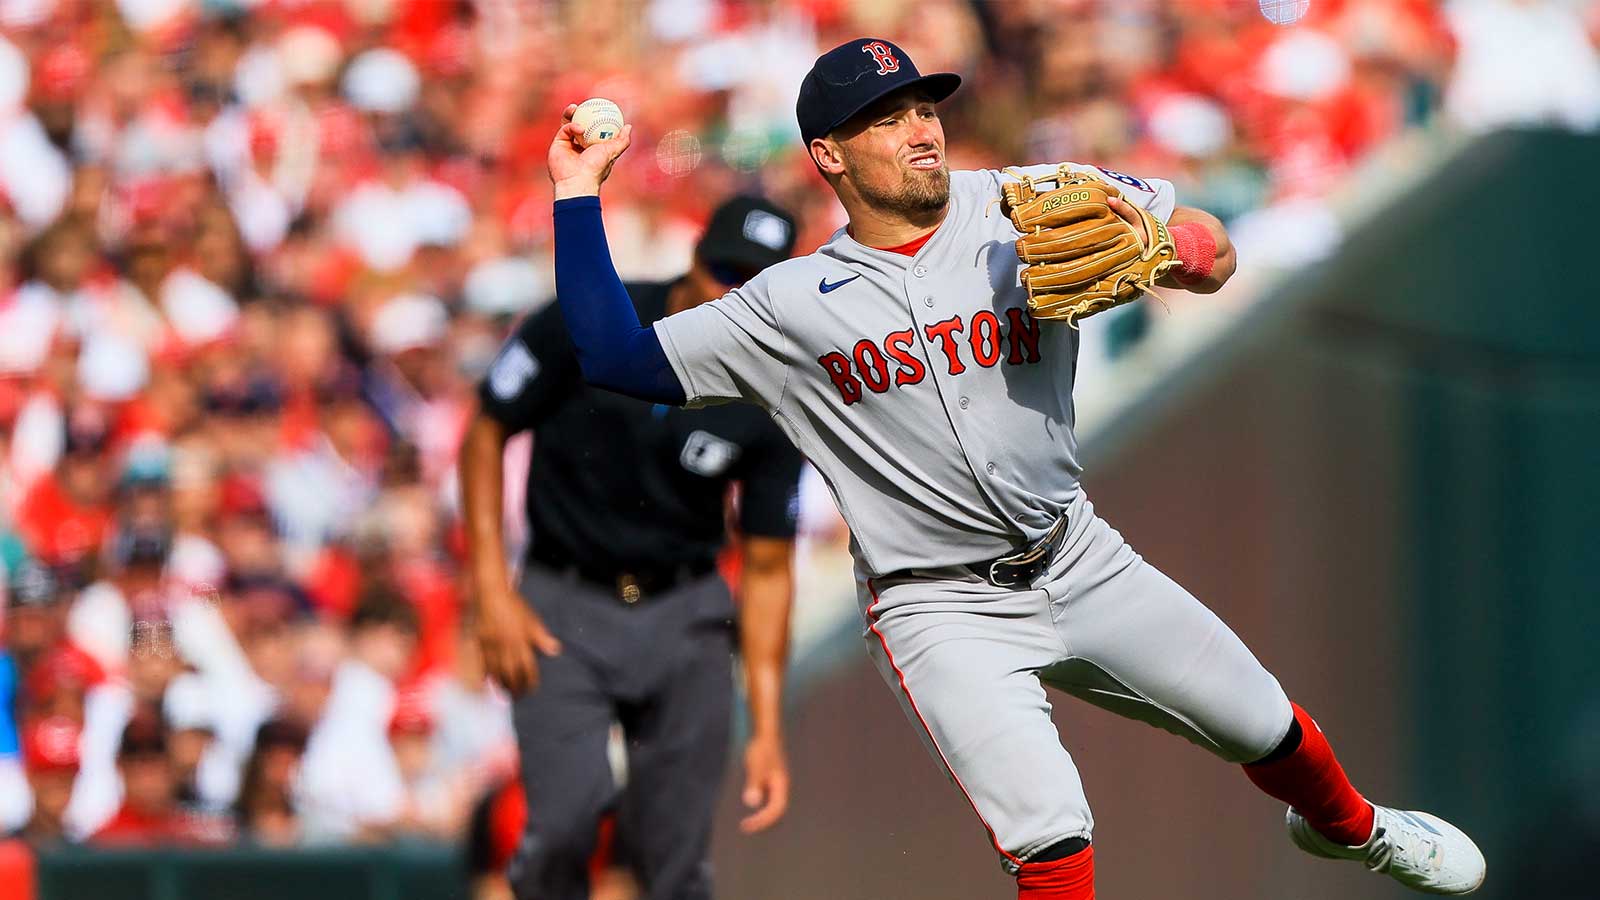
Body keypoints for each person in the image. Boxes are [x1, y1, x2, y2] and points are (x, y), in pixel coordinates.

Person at [539, 36, 1487, 900]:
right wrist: (578, 193)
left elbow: (1214, 249)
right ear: (828, 154)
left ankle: (1356, 831)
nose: (920, 130)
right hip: (936, 605)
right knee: (1051, 840)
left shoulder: (1025, 205)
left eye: (925, 108)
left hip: (1078, 554)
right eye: (887, 117)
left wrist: (1180, 248)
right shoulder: (785, 308)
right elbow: (614, 358)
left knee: (1267, 727)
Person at [459, 194, 805, 900]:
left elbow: (769, 566)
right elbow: (486, 429)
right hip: (564, 601)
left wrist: (766, 726)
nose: (731, 291)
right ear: (692, 256)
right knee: (563, 824)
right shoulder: (589, 321)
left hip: (686, 611)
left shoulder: (773, 391)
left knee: (674, 857)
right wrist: (491, 590)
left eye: (755, 280)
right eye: (722, 269)